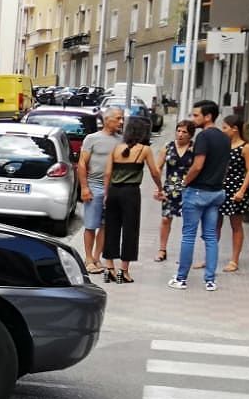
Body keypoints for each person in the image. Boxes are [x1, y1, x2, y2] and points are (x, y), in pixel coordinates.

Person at [169, 100, 231, 292]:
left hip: (197, 192)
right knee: (211, 236)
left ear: (208, 116)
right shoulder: (225, 137)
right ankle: (210, 280)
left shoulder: (203, 137)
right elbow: (225, 165)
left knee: (188, 236)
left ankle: (181, 278)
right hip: (216, 192)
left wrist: (184, 182)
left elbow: (197, 165)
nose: (193, 118)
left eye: (196, 115)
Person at [102, 118, 161, 284]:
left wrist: (106, 194)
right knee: (130, 230)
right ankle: (123, 271)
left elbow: (107, 173)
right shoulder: (145, 149)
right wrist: (160, 188)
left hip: (113, 191)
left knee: (111, 228)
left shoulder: (115, 148)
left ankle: (109, 269)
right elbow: (155, 173)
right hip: (131, 192)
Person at [77, 107, 124, 272]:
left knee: (106, 225)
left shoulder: (121, 140)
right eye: (118, 118)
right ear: (107, 120)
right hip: (94, 186)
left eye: (122, 118)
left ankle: (97, 258)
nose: (121, 122)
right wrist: (84, 187)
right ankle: (88, 259)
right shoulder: (92, 139)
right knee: (91, 225)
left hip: (113, 188)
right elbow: (82, 164)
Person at [217, 110, 249, 272]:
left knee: (236, 225)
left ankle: (234, 259)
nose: (222, 130)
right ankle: (209, 256)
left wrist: (242, 190)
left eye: (225, 127)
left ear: (234, 129)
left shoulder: (246, 147)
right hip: (220, 188)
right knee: (215, 224)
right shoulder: (223, 145)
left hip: (236, 189)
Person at [153, 120, 193, 262]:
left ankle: (185, 252)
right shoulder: (168, 147)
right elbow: (158, 168)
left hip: (188, 189)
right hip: (170, 188)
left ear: (190, 135)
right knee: (165, 219)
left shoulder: (194, 149)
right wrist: (158, 188)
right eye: (179, 131)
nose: (180, 134)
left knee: (188, 221)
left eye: (184, 132)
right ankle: (162, 249)